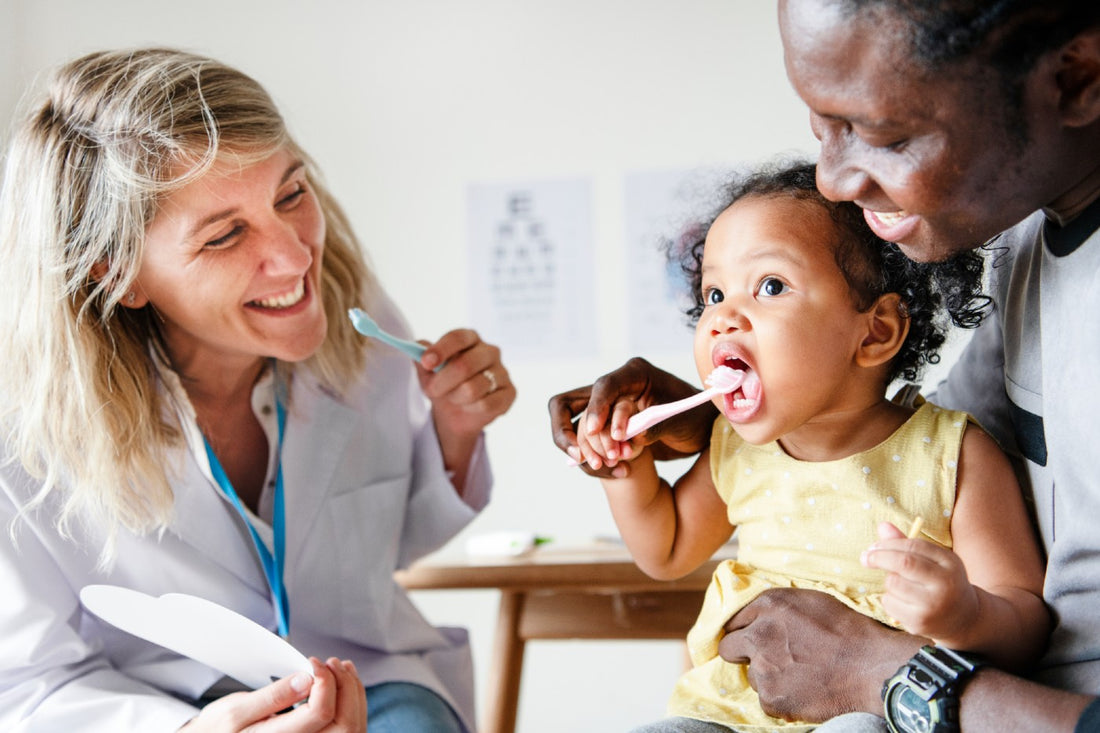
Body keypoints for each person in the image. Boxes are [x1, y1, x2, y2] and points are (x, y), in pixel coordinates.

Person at [550, 1, 1100, 730]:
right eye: (821, 129)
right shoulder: (1032, 238)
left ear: (1076, 77)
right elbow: (875, 415)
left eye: (883, 133)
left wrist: (891, 668)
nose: (833, 179)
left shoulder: (952, 454)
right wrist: (668, 437)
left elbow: (950, 472)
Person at [0, 48, 516, 733]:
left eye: (291, 194)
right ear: (116, 272)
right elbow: (30, 686)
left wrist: (453, 431)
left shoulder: (363, 327)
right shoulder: (22, 438)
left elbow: (379, 549)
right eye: (226, 234)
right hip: (146, 708)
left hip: (368, 680)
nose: (297, 258)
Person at [570, 161, 1048, 732]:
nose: (722, 318)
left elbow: (1027, 622)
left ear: (875, 333)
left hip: (873, 706)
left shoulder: (953, 455)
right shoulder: (739, 448)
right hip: (732, 711)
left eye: (770, 286)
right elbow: (667, 549)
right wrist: (626, 470)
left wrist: (965, 615)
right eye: (714, 293)